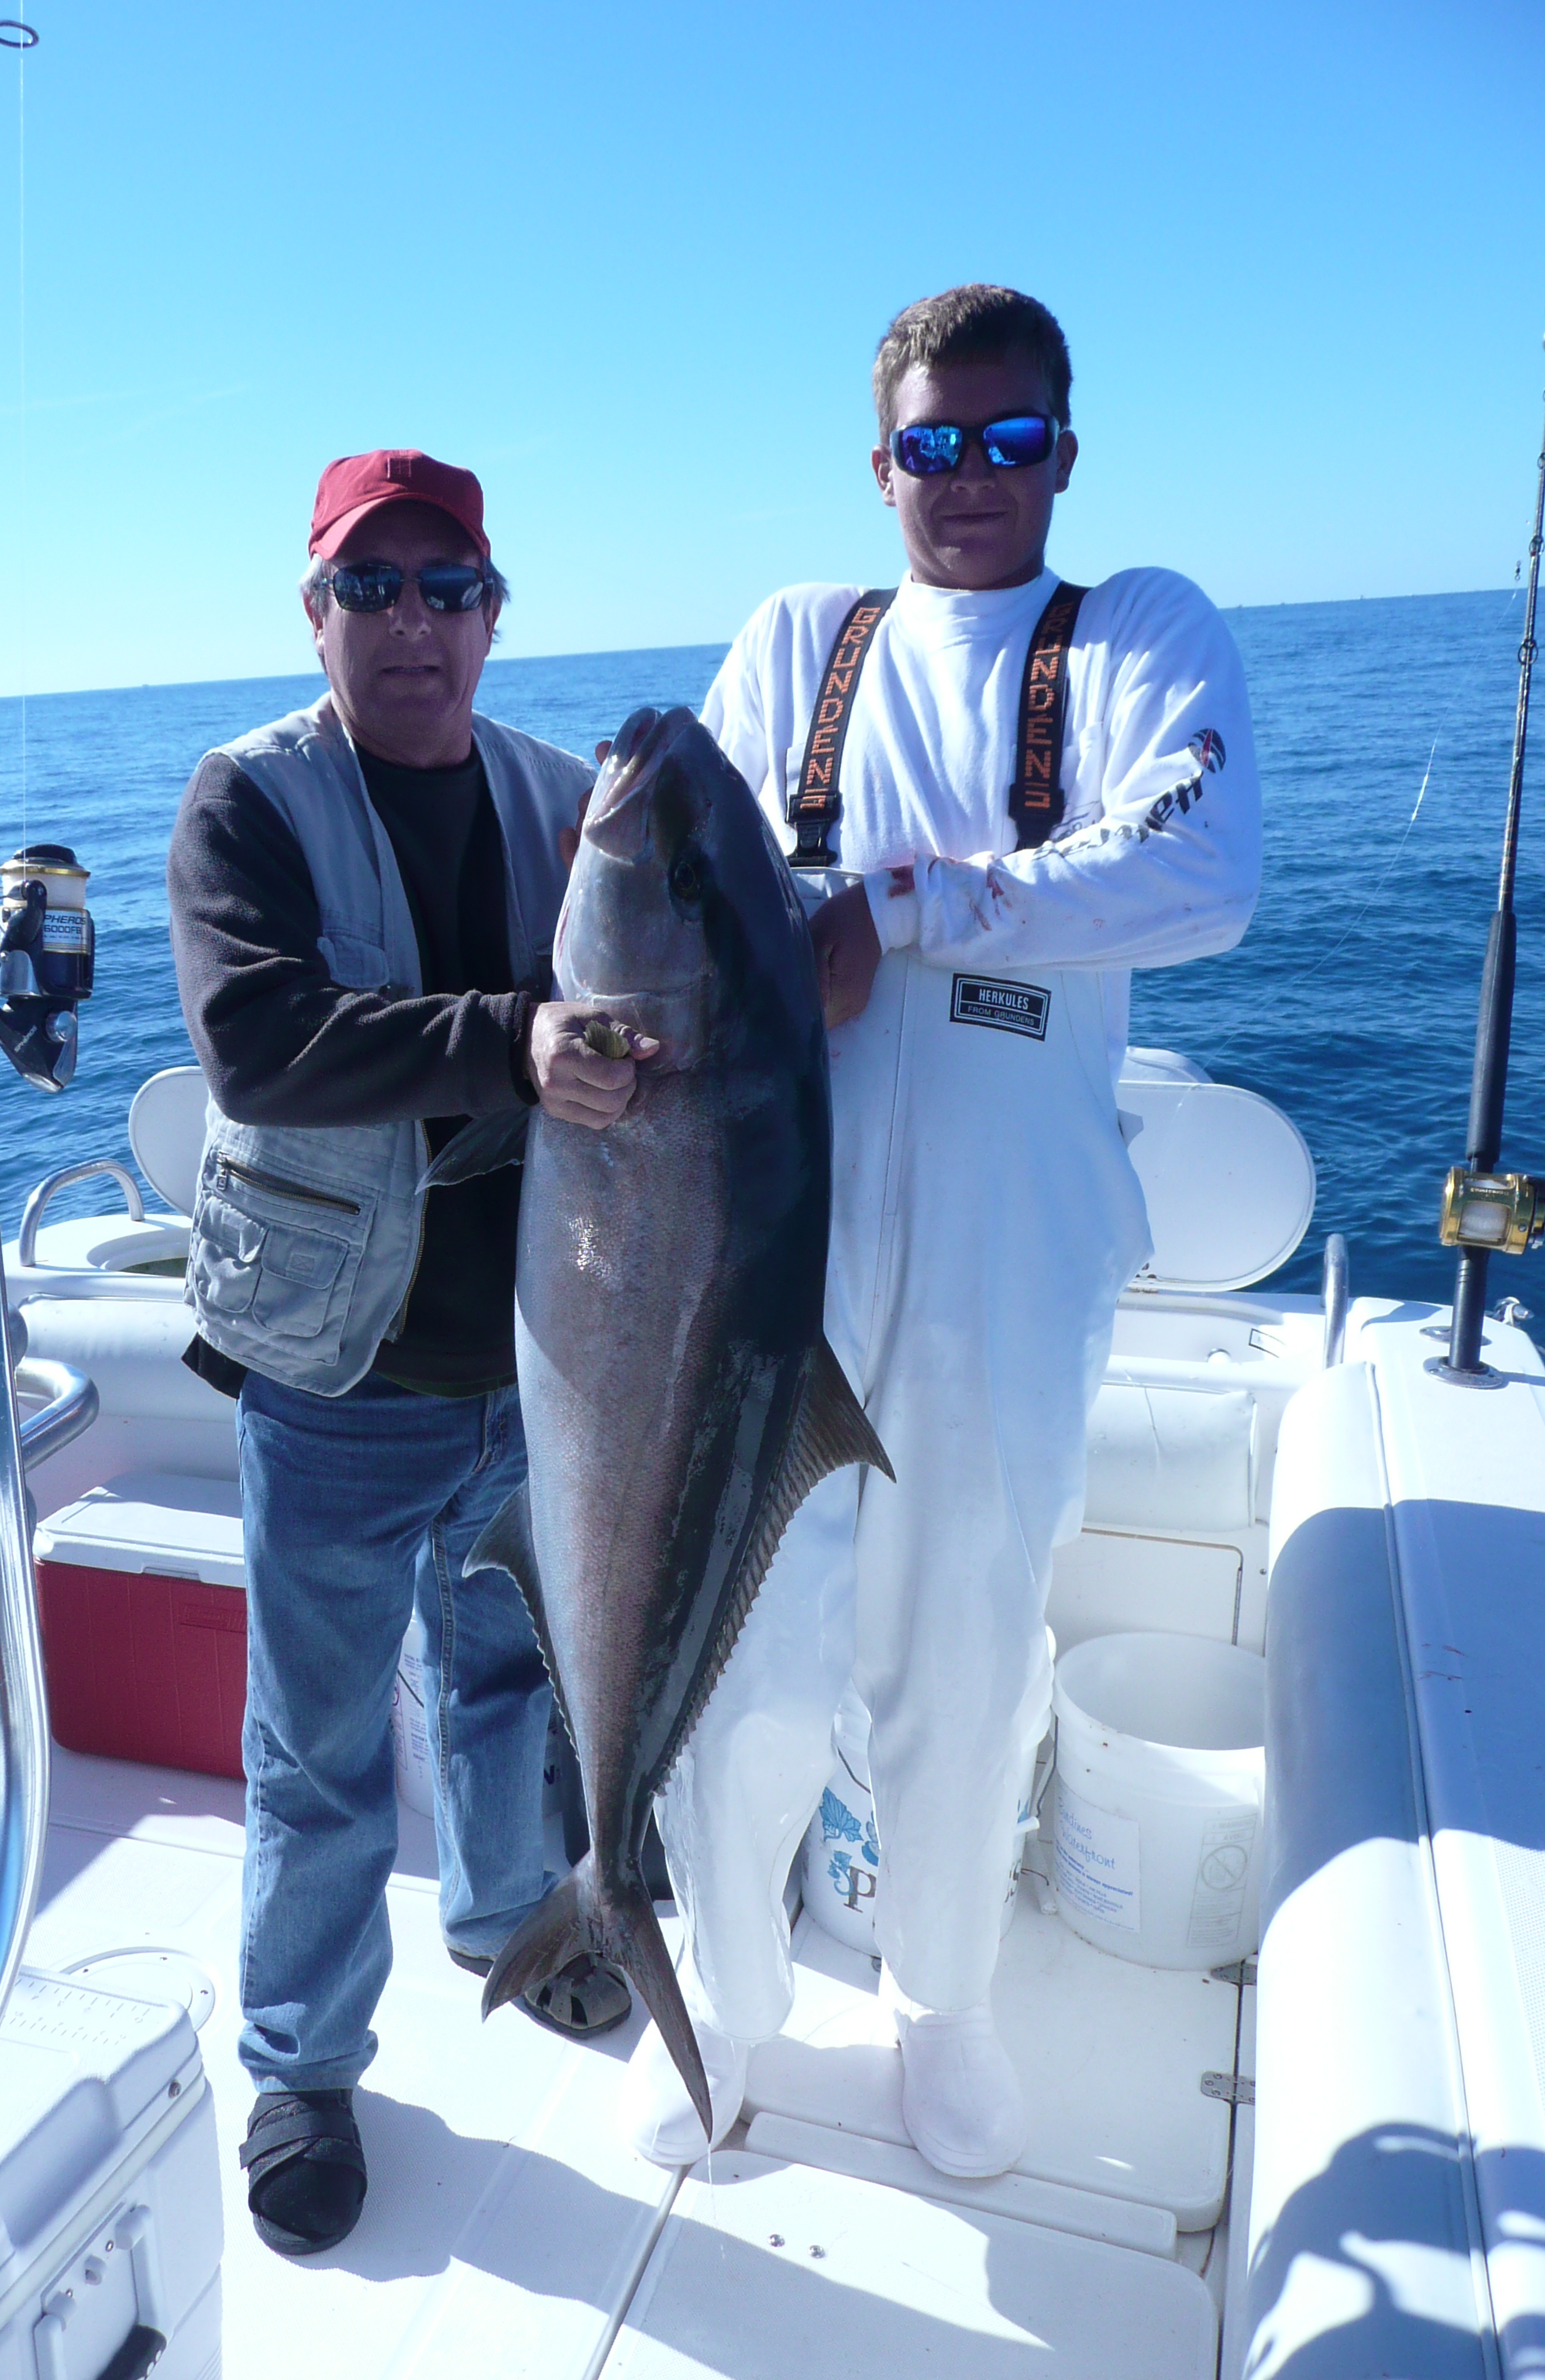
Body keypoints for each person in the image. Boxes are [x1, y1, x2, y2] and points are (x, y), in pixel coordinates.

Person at [624, 284, 1262, 2174]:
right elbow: (690, 869)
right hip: (772, 1236)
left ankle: (941, 2009)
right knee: (741, 1646)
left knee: (970, 1639)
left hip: (1019, 1236)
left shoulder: (1140, 632)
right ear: (879, 460)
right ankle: (730, 2007)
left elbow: (1201, 867)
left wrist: (894, 905)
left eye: (1007, 441)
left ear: (1064, 449)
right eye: (931, 443)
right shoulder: (795, 641)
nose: (969, 479)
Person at [168, 448, 653, 2257]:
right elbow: (259, 1043)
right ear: (317, 614)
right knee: (315, 1751)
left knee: (509, 1690)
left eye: (447, 586)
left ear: (494, 613)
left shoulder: (571, 807)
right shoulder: (252, 803)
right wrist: (520, 1038)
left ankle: (511, 1928)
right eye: (371, 587)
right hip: (336, 1381)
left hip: (542, 1374)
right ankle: (299, 2064)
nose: (413, 624)